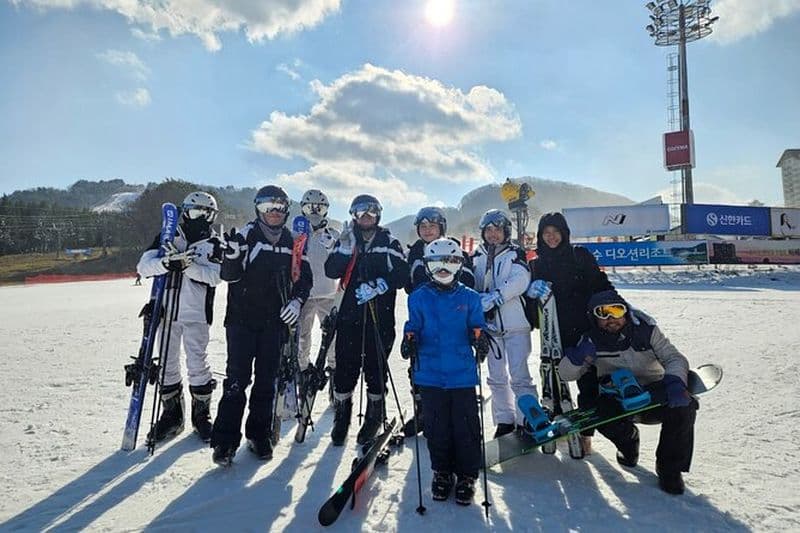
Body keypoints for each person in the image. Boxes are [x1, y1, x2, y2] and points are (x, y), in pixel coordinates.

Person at [210, 185, 312, 465]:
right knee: (237, 381)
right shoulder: (247, 235)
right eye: (269, 208)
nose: (274, 213)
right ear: (258, 209)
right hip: (243, 321)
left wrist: (296, 302)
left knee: (267, 380)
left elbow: (304, 278)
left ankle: (258, 434)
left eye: (279, 208)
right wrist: (231, 257)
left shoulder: (293, 241)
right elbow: (229, 276)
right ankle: (225, 441)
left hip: (275, 322)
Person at [559, 289, 697, 495]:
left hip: (653, 392)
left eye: (616, 310)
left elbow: (674, 358)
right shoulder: (590, 341)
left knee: (685, 406)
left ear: (625, 312)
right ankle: (628, 443)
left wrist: (675, 382)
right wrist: (577, 358)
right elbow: (566, 374)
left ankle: (670, 469)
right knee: (599, 413)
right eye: (602, 313)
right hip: (618, 398)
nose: (611, 318)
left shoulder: (646, 331)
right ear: (594, 317)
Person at [402, 238, 488, 505]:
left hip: (461, 372)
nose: (443, 268)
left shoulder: (470, 297)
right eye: (436, 262)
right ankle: (442, 472)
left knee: (465, 426)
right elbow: (413, 325)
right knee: (436, 427)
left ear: (459, 265)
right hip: (429, 373)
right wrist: (409, 340)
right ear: (428, 266)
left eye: (449, 262)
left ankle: (466, 475)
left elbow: (476, 324)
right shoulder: (418, 297)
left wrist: (479, 338)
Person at [136, 191, 221, 444]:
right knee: (166, 362)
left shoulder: (215, 243)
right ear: (186, 212)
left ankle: (201, 416)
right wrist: (166, 263)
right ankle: (172, 416)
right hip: (167, 310)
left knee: (198, 362)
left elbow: (216, 276)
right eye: (196, 212)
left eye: (207, 213)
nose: (201, 218)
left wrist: (188, 266)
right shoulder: (168, 236)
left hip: (197, 312)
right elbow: (143, 266)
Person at [324, 194, 409, 446]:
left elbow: (402, 275)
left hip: (379, 318)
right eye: (361, 212)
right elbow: (331, 271)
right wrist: (344, 249)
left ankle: (374, 415)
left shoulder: (389, 241)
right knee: (345, 369)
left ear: (378, 215)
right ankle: (342, 416)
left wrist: (382, 284)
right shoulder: (347, 239)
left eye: (371, 212)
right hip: (349, 317)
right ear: (354, 215)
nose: (366, 216)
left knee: (375, 369)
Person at [526, 212, 614, 453]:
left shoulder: (580, 256)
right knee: (555, 385)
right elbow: (530, 311)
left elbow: (601, 286)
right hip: (553, 335)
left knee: (588, 384)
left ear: (564, 234)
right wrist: (530, 295)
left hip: (585, 331)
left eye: (556, 232)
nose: (551, 237)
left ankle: (586, 434)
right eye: (546, 233)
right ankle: (557, 427)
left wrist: (617, 311)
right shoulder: (536, 264)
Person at [402, 206, 475, 435]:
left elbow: (469, 279)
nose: (427, 230)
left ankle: (453, 413)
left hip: (452, 316)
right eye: (423, 226)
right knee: (420, 363)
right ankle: (424, 410)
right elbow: (408, 282)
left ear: (441, 227)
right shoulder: (415, 251)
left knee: (452, 363)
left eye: (432, 226)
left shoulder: (453, 246)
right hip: (423, 315)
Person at [471, 209, 536, 438]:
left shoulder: (514, 252)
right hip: (490, 327)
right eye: (488, 230)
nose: (493, 234)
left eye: (497, 230)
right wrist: (476, 299)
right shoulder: (476, 256)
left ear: (506, 231)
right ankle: (505, 420)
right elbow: (471, 284)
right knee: (496, 376)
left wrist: (497, 296)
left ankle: (526, 417)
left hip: (515, 323)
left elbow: (521, 280)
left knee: (520, 374)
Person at [295, 189, 340, 385]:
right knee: (302, 337)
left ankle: (334, 373)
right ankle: (302, 371)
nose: (314, 212)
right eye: (309, 207)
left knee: (332, 339)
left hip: (328, 293)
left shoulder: (333, 233)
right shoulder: (295, 233)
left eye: (319, 208)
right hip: (303, 294)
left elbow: (342, 261)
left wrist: (333, 247)